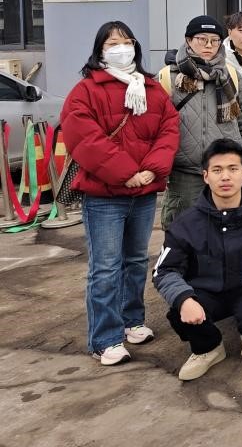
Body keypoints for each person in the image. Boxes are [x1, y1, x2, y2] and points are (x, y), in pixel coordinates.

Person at [60, 21, 180, 366]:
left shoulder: (151, 88)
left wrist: (151, 169)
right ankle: (105, 338)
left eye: (127, 41)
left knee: (136, 261)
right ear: (100, 49)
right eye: (113, 43)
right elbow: (84, 137)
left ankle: (132, 321)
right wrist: (125, 173)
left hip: (143, 192)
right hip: (104, 196)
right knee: (105, 268)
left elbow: (169, 130)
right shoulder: (86, 90)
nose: (122, 48)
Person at [152, 139, 242, 382]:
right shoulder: (186, 223)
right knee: (179, 311)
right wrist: (184, 299)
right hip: (206, 292)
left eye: (232, 169)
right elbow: (164, 271)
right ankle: (209, 348)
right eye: (217, 170)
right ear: (206, 176)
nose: (225, 177)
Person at [159, 16, 242, 228]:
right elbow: (155, 126)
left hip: (225, 170)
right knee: (184, 231)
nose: (208, 45)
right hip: (184, 174)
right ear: (188, 40)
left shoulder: (230, 74)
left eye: (214, 40)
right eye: (202, 39)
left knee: (228, 231)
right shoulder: (168, 76)